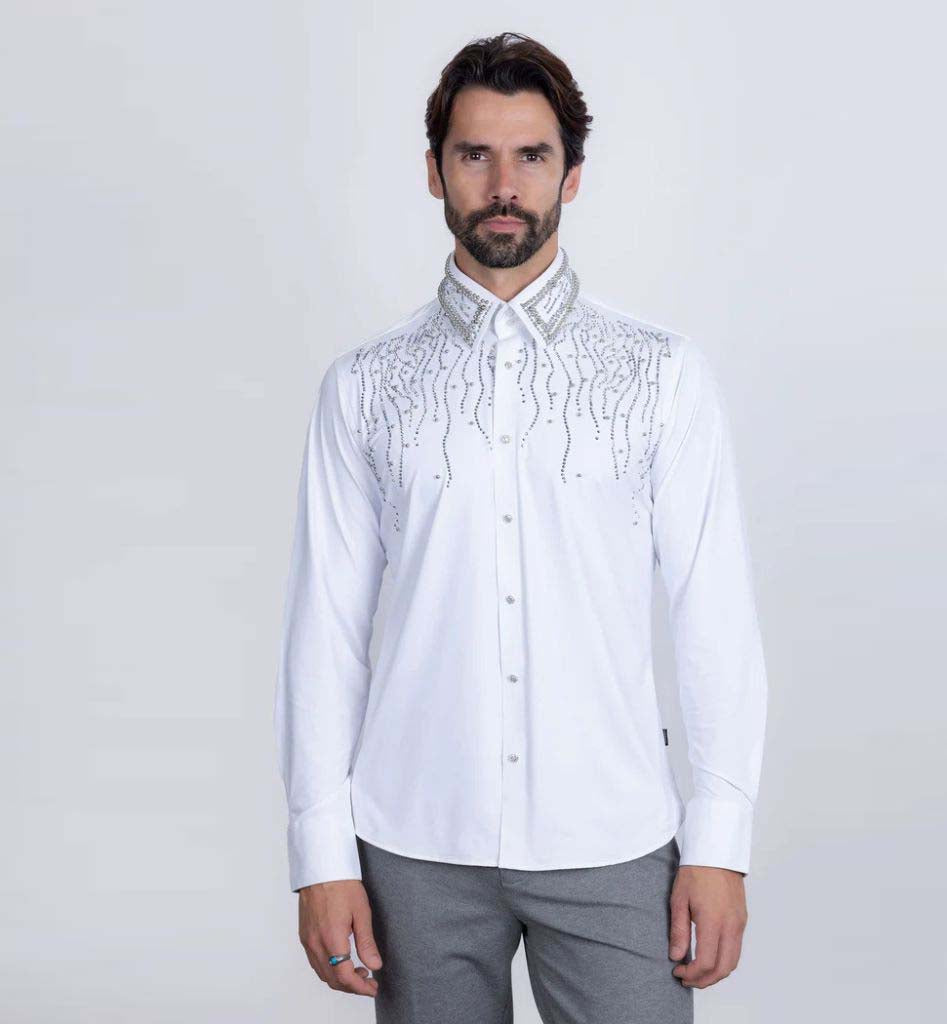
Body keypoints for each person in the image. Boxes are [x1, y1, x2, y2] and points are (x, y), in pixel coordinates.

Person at [274, 30, 767, 1024]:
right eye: (475, 154)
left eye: (532, 155)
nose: (503, 185)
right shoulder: (365, 386)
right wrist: (320, 856)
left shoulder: (661, 374)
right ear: (433, 170)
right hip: (413, 841)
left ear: (571, 176)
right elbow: (325, 630)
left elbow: (713, 614)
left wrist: (719, 842)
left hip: (611, 835)